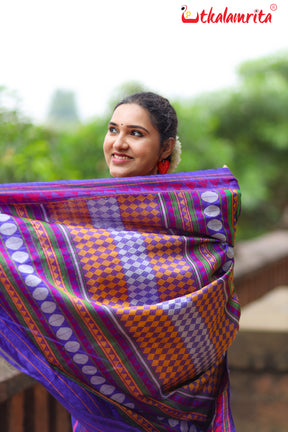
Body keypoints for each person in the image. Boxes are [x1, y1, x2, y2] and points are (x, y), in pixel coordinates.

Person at [0, 92, 241, 432]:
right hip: (103, 407)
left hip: (175, 414)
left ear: (167, 147)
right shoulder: (82, 220)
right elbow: (35, 267)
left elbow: (207, 320)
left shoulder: (194, 222)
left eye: (136, 133)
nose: (119, 143)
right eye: (113, 130)